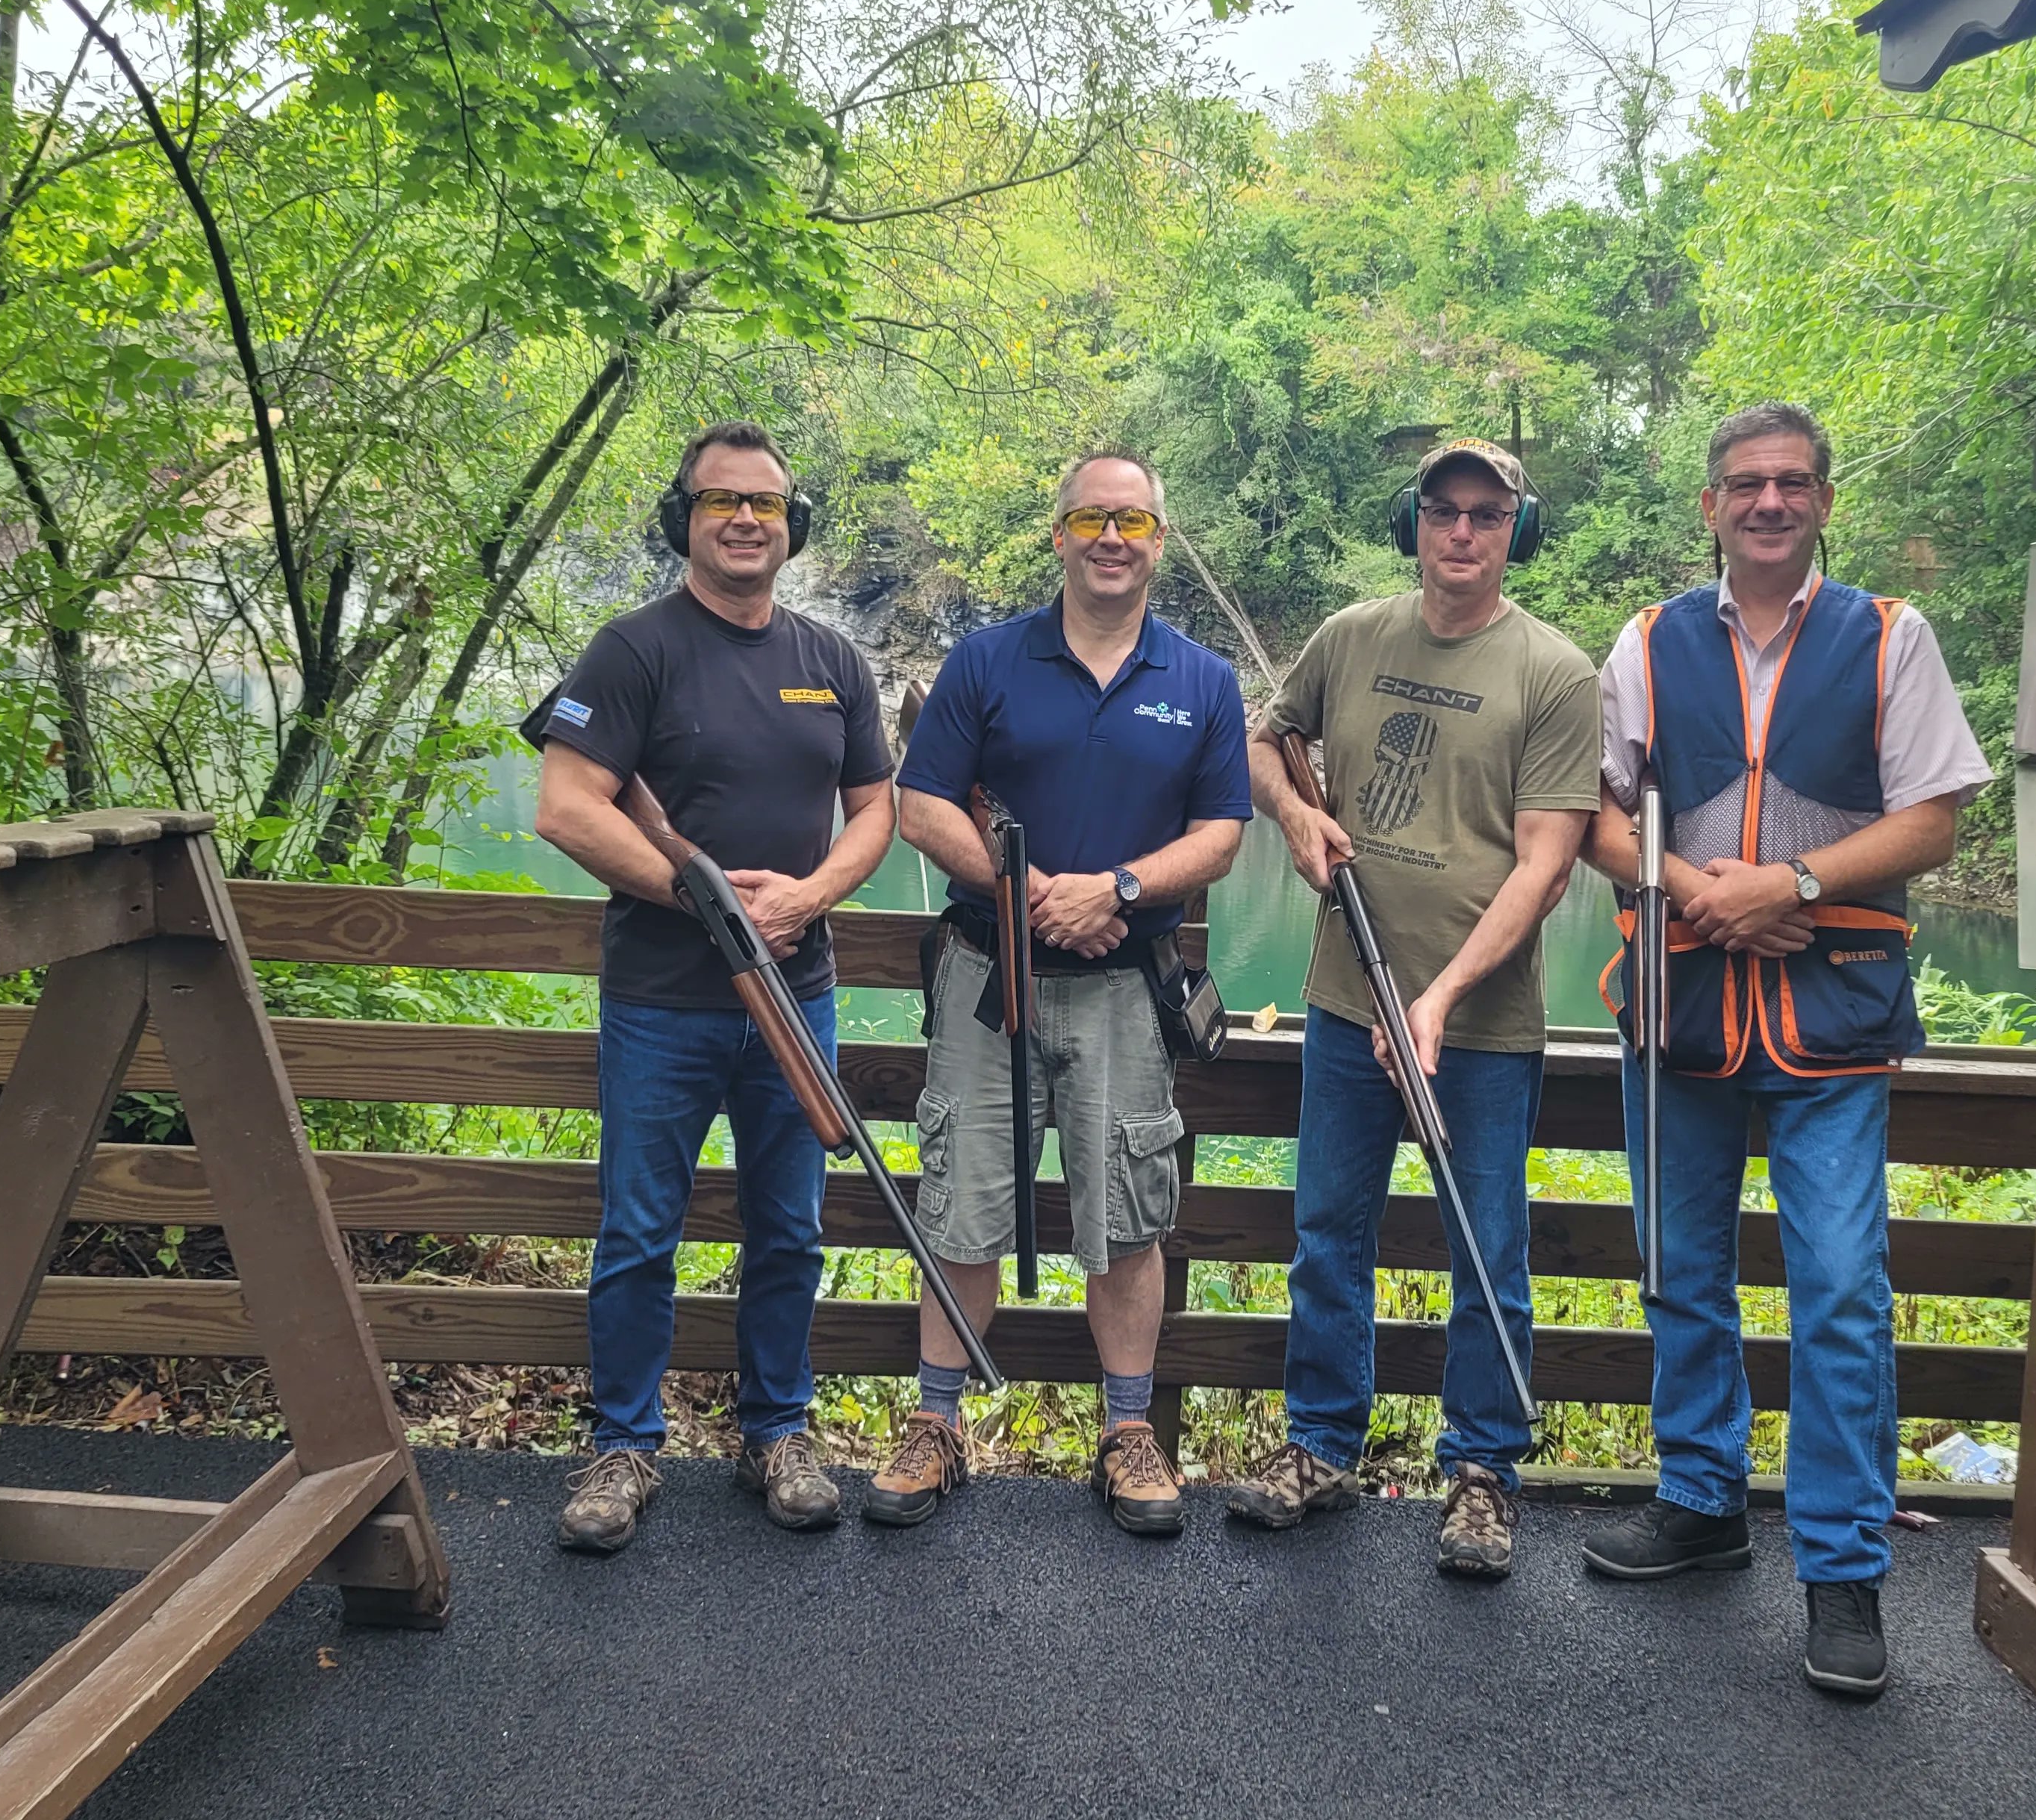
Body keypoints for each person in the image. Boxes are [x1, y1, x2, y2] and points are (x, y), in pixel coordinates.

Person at [1580, 401, 1991, 1698]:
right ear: (1710, 506)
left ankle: (1842, 1567)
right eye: (1746, 484)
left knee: (1841, 1293)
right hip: (1683, 1006)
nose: (1769, 502)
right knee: (1681, 1274)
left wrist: (1794, 884)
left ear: (1823, 501)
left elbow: (1935, 819)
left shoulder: (1890, 637)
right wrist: (1703, 891)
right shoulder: (1647, 641)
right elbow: (1595, 818)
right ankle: (1702, 1502)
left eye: (1793, 483)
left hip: (1832, 1015)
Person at [1225, 439, 1599, 1579]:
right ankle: (1321, 1447)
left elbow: (1546, 866)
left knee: (1488, 1251)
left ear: (1518, 531)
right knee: (1326, 1235)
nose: (1463, 532)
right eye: (1444, 510)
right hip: (1348, 1003)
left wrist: (1438, 998)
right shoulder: (1351, 638)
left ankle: (1482, 1474)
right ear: (1414, 522)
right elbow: (1264, 743)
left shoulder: (1554, 673)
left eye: (1488, 514)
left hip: (1479, 1028)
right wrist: (1296, 817)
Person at [526, 420, 893, 1553]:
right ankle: (623, 1444)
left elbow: (876, 811)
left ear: (793, 526)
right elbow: (568, 807)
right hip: (662, 1003)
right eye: (720, 500)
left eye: (765, 503)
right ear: (681, 519)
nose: (744, 519)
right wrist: (702, 900)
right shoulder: (632, 650)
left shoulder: (833, 661)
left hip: (798, 994)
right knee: (641, 1231)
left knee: (789, 1229)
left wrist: (807, 896)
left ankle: (776, 1432)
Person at [870, 451, 1250, 1536]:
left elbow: (1222, 835)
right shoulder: (987, 661)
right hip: (989, 975)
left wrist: (1116, 889)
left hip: (1128, 987)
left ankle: (1128, 1431)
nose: (1110, 539)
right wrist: (1029, 893)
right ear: (1060, 535)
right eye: (1090, 519)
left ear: (1159, 541)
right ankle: (937, 1423)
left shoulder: (1204, 681)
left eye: (1132, 522)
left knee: (1129, 1214)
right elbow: (920, 803)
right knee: (961, 1202)